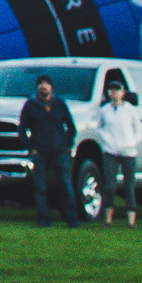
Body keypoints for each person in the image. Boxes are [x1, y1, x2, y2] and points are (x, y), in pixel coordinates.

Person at [20, 74, 83, 228]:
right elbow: (22, 130)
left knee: (66, 186)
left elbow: (71, 126)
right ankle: (43, 219)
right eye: (41, 84)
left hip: (59, 151)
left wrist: (67, 144)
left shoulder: (59, 103)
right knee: (40, 187)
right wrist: (31, 147)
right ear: (37, 87)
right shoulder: (30, 105)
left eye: (46, 83)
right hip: (40, 153)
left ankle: (72, 220)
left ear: (51, 87)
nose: (43, 86)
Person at [96, 79, 142, 227]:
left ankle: (131, 220)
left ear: (122, 93)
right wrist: (107, 140)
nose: (114, 93)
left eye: (117, 90)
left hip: (128, 152)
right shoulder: (104, 110)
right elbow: (100, 127)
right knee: (110, 185)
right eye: (112, 90)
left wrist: (131, 142)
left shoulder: (130, 110)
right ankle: (108, 219)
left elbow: (138, 130)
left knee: (129, 186)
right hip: (111, 151)